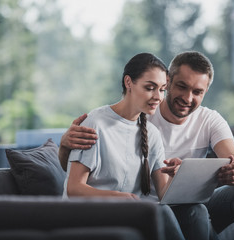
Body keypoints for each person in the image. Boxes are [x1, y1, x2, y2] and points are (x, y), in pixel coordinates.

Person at [59, 51, 234, 240]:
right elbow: (74, 182)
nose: (187, 97)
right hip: (131, 208)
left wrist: (185, 176)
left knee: (218, 201)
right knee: (170, 212)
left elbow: (166, 190)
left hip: (166, 205)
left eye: (197, 92)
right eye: (181, 86)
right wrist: (64, 146)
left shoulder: (153, 130)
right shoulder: (106, 119)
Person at [62, 52, 212, 240]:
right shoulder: (95, 123)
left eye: (162, 89)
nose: (158, 97)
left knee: (196, 211)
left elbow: (164, 193)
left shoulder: (152, 133)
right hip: (92, 213)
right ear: (128, 82)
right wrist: (117, 197)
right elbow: (74, 189)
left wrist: (180, 175)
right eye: (150, 88)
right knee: (160, 213)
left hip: (130, 213)